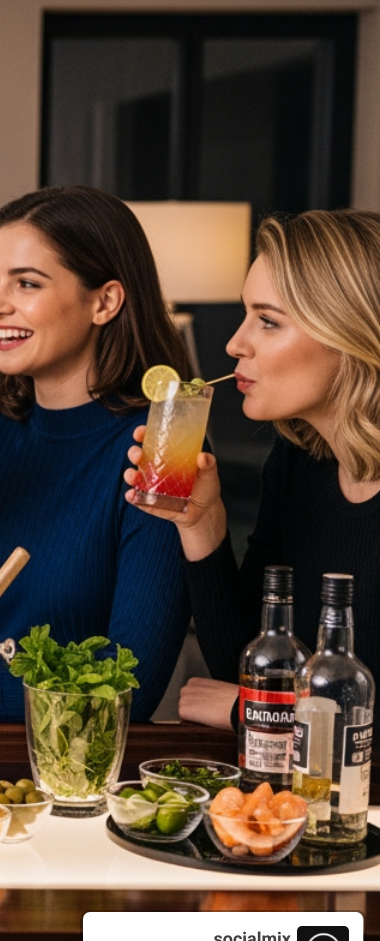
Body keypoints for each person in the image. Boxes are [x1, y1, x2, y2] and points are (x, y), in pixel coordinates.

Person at [0, 185, 193, 722]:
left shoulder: (158, 448)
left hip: (70, 769)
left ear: (105, 301)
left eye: (26, 283)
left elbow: (131, 682)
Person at [124, 209, 380, 728]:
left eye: (267, 320)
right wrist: (202, 523)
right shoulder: (298, 465)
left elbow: (248, 697)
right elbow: (247, 663)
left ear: (350, 331)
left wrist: (252, 713)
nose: (235, 344)